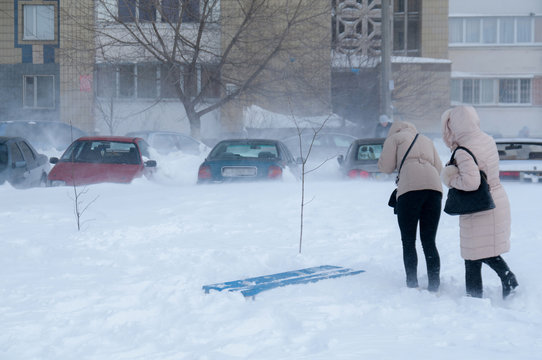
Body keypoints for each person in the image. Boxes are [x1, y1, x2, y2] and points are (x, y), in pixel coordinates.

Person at [441, 105, 518, 299]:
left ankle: (475, 298)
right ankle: (504, 279)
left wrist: (450, 179)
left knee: (473, 254)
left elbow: (471, 182)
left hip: (478, 206)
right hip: (495, 199)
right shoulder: (487, 139)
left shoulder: (463, 150)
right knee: (480, 250)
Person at [378, 121, 443, 292]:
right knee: (429, 241)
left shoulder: (395, 139)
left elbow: (385, 167)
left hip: (410, 189)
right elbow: (439, 168)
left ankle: (412, 284)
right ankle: (434, 285)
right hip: (434, 190)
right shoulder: (427, 140)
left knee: (408, 241)